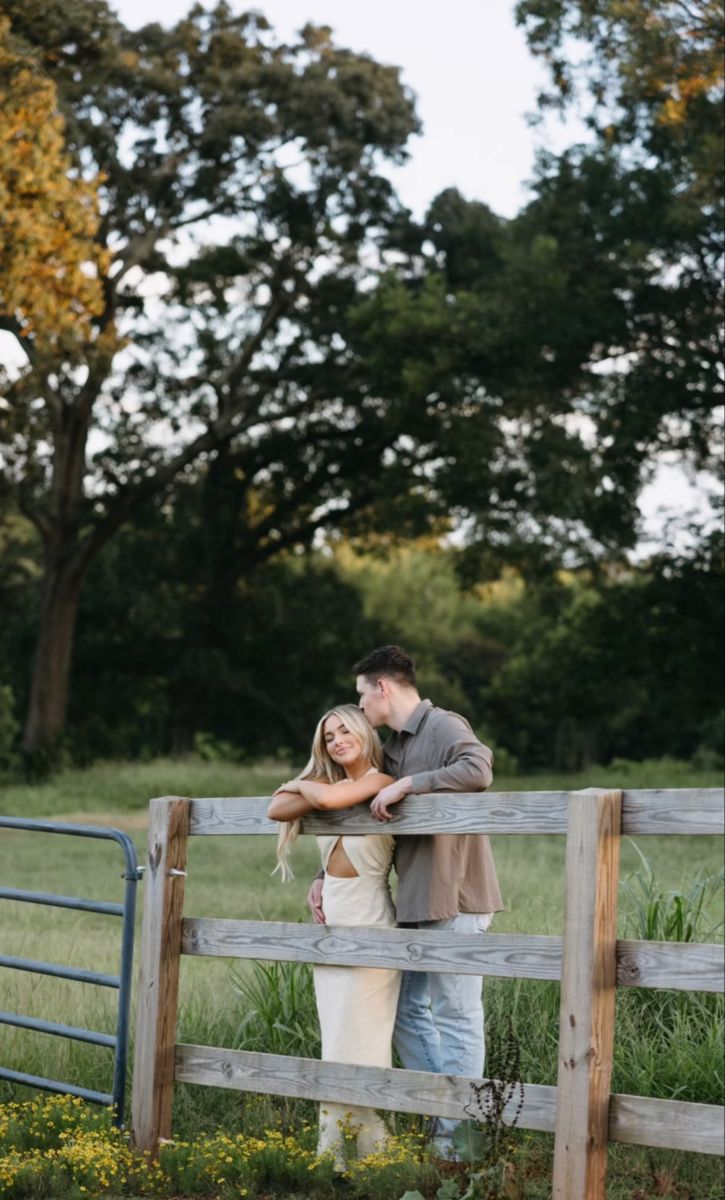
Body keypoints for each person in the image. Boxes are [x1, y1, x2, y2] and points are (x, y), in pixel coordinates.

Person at [307, 645, 503, 1159]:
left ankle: (464, 1143)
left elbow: (478, 768)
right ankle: (446, 1123)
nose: (360, 706)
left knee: (457, 1013)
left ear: (383, 688)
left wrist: (415, 784)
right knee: (409, 1012)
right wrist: (323, 872)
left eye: (361, 695)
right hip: (412, 902)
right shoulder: (392, 746)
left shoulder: (442, 726)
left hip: (456, 896)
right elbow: (362, 815)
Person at [268, 703, 401, 1170]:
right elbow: (276, 808)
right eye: (328, 736)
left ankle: (366, 1154)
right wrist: (312, 784)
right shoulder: (330, 784)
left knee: (359, 1041)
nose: (337, 740)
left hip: (368, 918)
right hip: (331, 922)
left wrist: (305, 783)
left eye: (346, 730)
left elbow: (320, 803)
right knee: (335, 1040)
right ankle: (340, 1154)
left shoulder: (379, 782)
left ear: (366, 733)